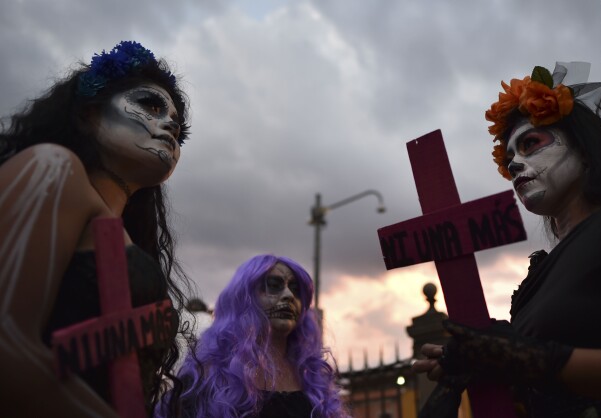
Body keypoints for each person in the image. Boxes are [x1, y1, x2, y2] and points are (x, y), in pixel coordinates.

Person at [412, 63, 601, 417]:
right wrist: (483, 358)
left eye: (530, 144)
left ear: (583, 147)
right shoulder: (540, 272)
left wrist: (536, 360)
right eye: (509, 159)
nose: (516, 165)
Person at [0, 41, 193, 417]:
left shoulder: (128, 238)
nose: (170, 123)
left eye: (179, 126)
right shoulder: (50, 169)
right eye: (151, 106)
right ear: (89, 114)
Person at [156, 254, 350, 418]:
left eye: (296, 289)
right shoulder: (209, 373)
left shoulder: (313, 378)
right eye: (274, 285)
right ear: (244, 298)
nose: (289, 295)